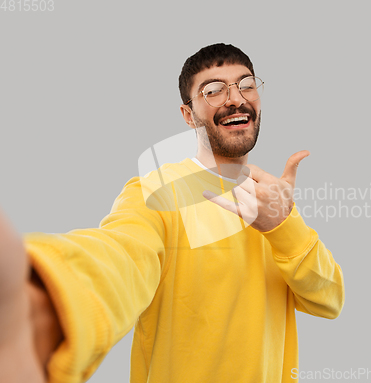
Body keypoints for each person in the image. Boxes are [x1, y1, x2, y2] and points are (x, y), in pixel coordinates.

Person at [0, 43, 345, 383]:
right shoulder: (156, 193)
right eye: (213, 91)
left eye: (246, 85)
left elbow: (329, 300)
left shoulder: (273, 202)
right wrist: (42, 298)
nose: (235, 99)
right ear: (187, 114)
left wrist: (283, 225)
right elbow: (122, 258)